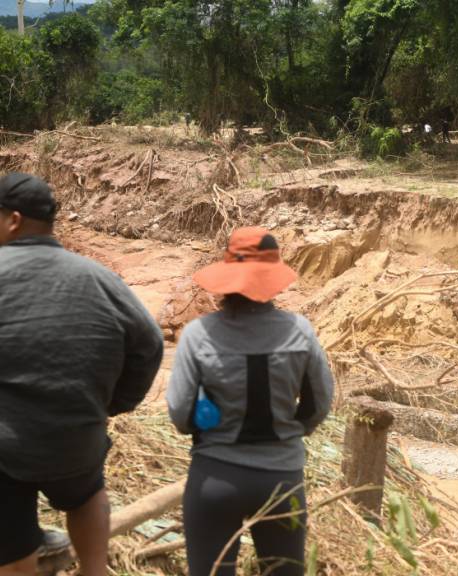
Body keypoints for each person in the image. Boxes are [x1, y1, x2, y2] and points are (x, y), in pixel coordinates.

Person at [0, 173, 164, 576]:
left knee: (9, 519)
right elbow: (150, 343)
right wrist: (112, 403)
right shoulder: (100, 277)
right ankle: (94, 569)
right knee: (87, 492)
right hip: (78, 437)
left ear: (13, 220)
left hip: (7, 448)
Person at [166, 227, 334, 576]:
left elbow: (180, 413)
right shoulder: (299, 331)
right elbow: (319, 404)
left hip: (215, 478)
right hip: (282, 481)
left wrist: (208, 425)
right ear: (273, 279)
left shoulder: (199, 335)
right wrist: (294, 430)